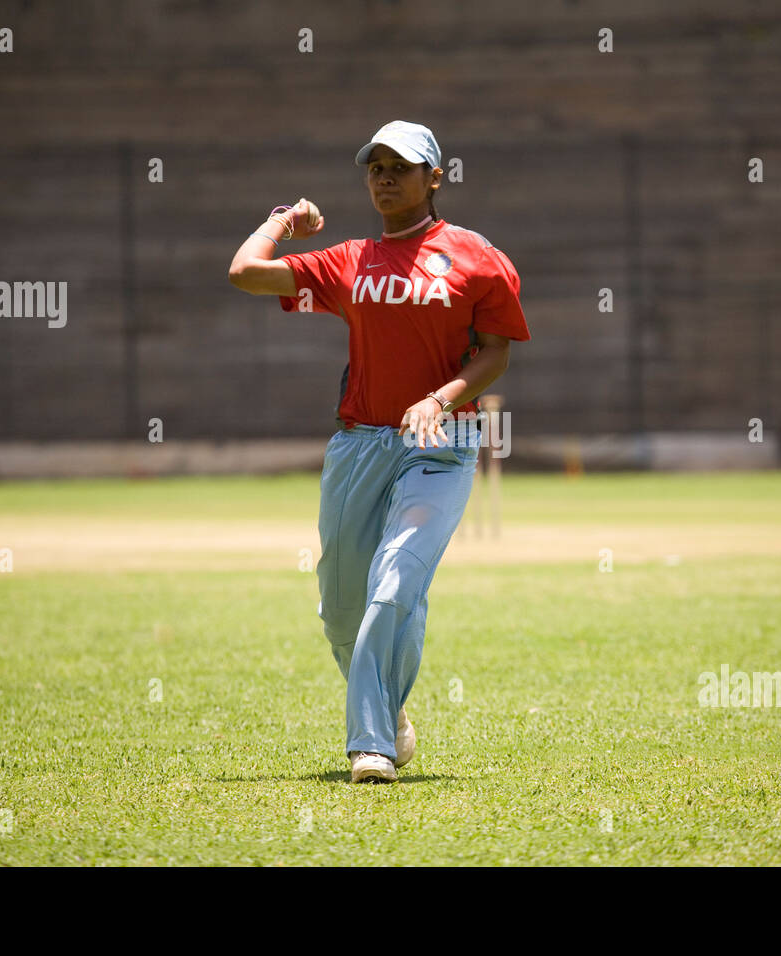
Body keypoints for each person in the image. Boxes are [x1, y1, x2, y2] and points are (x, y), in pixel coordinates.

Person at [228, 121, 531, 782]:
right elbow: (245, 273)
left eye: (402, 166)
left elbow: (496, 354)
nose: (386, 177)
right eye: (376, 167)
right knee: (340, 606)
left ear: (435, 177)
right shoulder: (349, 261)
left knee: (394, 583)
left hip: (440, 447)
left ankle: (372, 745)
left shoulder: (477, 258)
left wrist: (440, 399)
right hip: (358, 445)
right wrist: (283, 218)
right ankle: (388, 711)